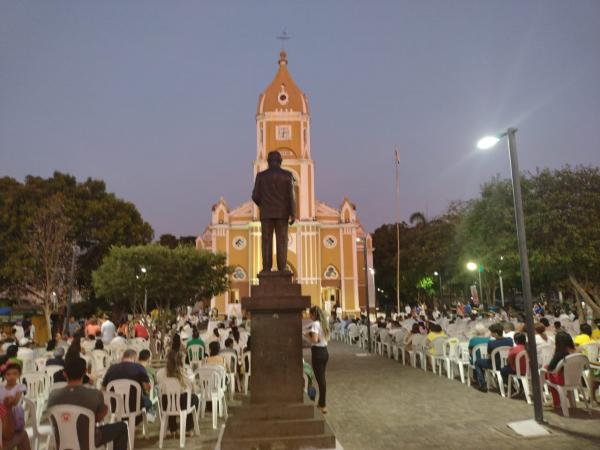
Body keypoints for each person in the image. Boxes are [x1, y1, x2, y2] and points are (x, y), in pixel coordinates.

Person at [47, 356, 128, 450]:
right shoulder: (94, 394)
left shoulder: (53, 395)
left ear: (64, 374)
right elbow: (99, 418)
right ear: (85, 372)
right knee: (122, 427)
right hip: (89, 439)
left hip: (61, 439)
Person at [102, 349, 151, 415]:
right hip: (135, 408)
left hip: (115, 408)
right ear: (135, 358)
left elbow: (103, 388)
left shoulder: (111, 368)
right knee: (148, 402)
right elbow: (147, 388)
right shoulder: (140, 368)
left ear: (123, 358)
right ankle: (136, 422)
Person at [162, 346, 199, 434]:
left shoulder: (161, 373)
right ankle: (189, 428)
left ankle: (172, 429)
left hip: (166, 404)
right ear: (180, 361)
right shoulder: (184, 374)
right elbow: (193, 389)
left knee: (170, 398)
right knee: (193, 398)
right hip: (182, 404)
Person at [303, 306, 329, 414]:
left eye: (310, 314)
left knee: (321, 380)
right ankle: (321, 403)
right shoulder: (323, 323)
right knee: (322, 378)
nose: (309, 316)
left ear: (314, 314)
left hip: (317, 353)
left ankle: (323, 405)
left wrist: (306, 335)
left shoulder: (315, 324)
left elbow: (315, 340)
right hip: (325, 352)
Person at [473, 323, 513, 392]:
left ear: (496, 333)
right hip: (506, 364)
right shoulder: (510, 340)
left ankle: (482, 385)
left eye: (492, 333)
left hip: (496, 365)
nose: (491, 334)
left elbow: (489, 357)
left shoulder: (491, 343)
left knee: (477, 362)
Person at [0, 363, 31, 450]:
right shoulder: (1, 387)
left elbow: (16, 400)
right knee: (21, 435)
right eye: (8, 374)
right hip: (5, 415)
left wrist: (11, 401)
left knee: (18, 431)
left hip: (15, 415)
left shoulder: (19, 387)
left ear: (19, 375)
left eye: (15, 374)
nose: (11, 376)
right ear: (4, 376)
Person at [544, 331, 578, 408]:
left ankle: (556, 401)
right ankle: (563, 399)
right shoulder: (576, 351)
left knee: (546, 371)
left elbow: (550, 368)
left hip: (563, 380)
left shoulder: (559, 354)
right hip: (576, 379)